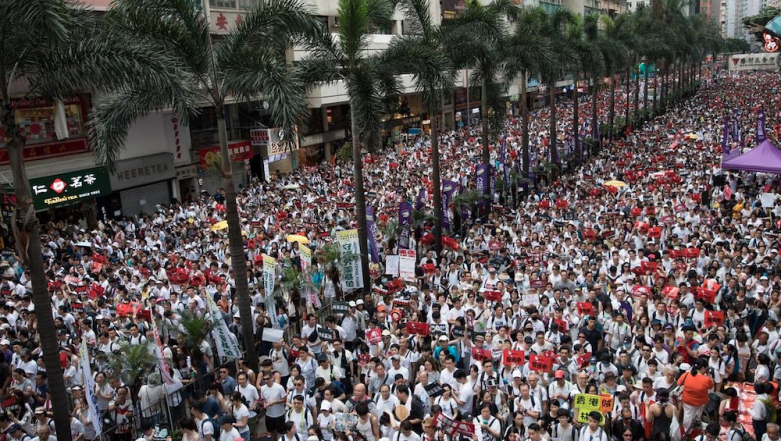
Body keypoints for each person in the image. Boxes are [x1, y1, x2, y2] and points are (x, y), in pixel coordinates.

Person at [677, 358, 714, 431]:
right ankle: (691, 430)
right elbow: (711, 386)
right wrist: (709, 375)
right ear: (703, 368)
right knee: (696, 417)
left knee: (688, 417)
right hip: (700, 402)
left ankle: (686, 431)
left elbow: (678, 383)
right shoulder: (706, 379)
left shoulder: (686, 374)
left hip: (687, 401)